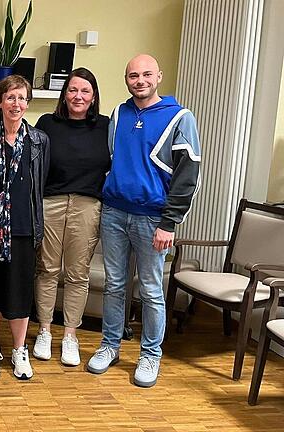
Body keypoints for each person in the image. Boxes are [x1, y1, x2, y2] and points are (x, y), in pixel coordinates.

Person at [86, 54, 201, 388]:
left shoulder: (180, 117)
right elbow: (112, 158)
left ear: (159, 76)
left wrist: (170, 222)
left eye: (146, 74)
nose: (140, 80)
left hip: (153, 219)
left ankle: (150, 354)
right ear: (126, 80)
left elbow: (187, 176)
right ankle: (110, 345)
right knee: (115, 284)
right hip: (114, 213)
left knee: (150, 290)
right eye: (133, 75)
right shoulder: (120, 114)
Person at [0, 75, 49, 380]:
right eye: (10, 98)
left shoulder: (39, 141)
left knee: (19, 292)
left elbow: (39, 184)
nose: (16, 104)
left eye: (21, 98)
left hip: (24, 227)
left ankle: (19, 349)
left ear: (27, 103)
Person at [33, 68, 110, 367]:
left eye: (85, 91)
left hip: (87, 205)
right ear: (64, 95)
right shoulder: (47, 124)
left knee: (78, 273)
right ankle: (44, 331)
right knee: (47, 269)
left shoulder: (105, 126)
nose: (78, 96)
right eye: (73, 90)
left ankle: (70, 336)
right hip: (50, 203)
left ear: (93, 98)